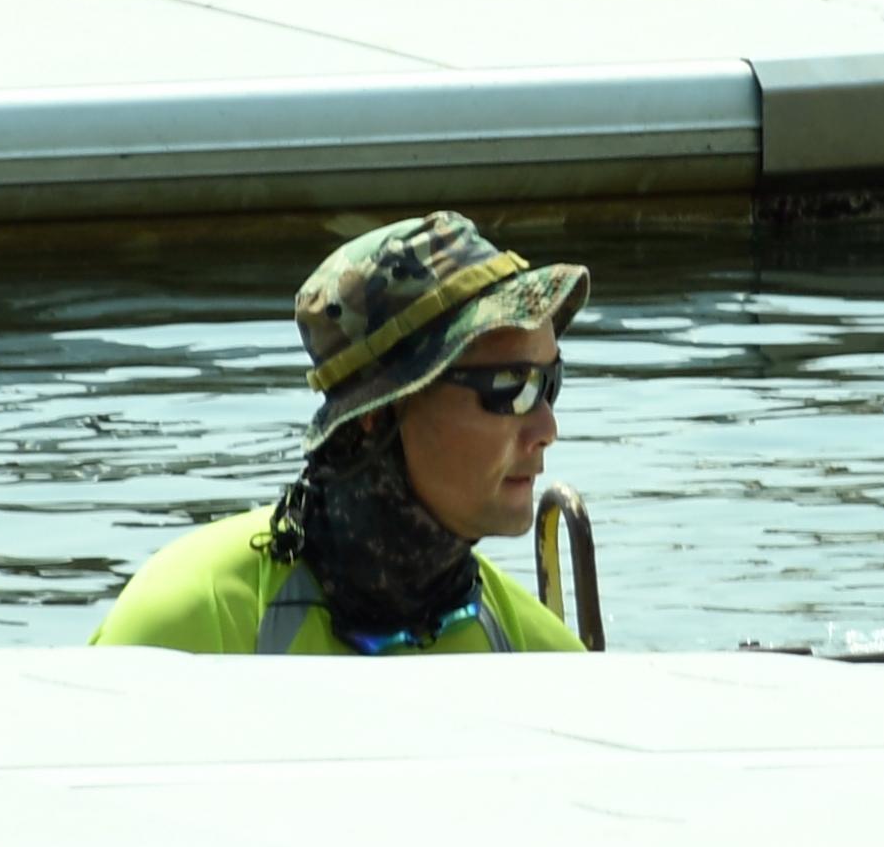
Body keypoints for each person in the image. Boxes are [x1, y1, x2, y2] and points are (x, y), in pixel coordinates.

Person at [96, 212, 591, 656]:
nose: (547, 427)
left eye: (550, 384)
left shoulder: (539, 657)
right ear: (375, 416)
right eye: (511, 387)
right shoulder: (193, 620)